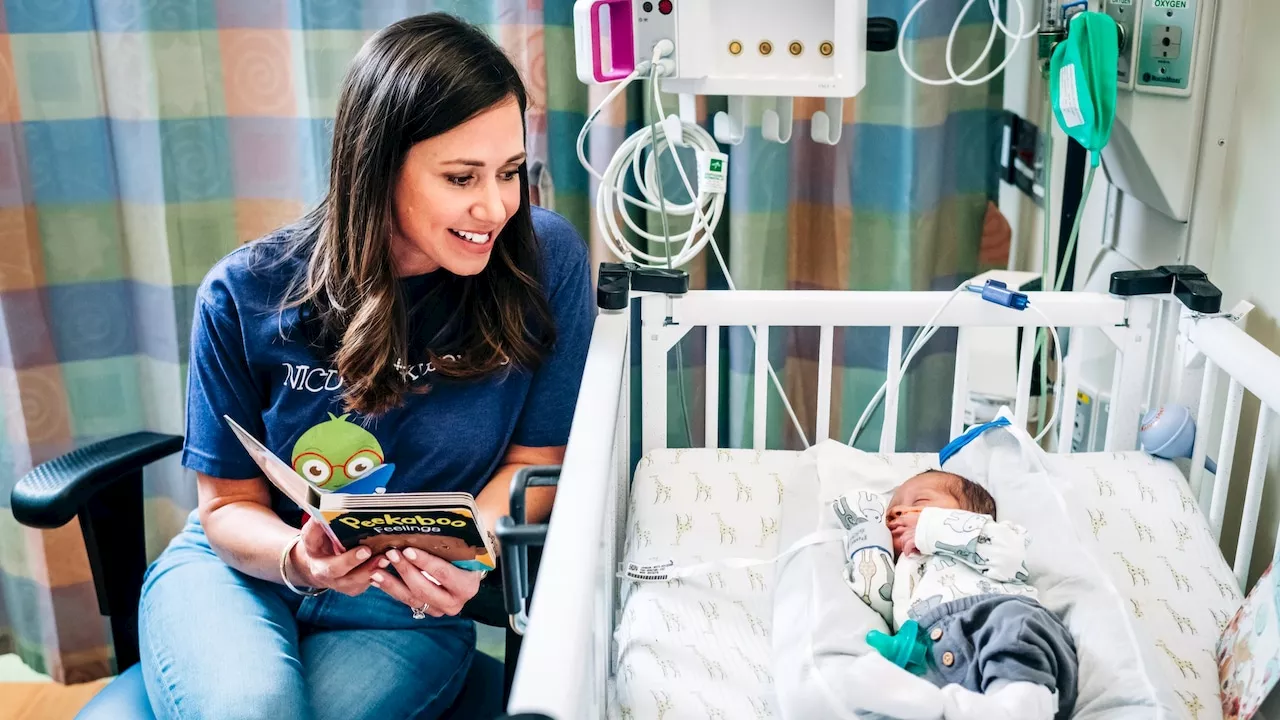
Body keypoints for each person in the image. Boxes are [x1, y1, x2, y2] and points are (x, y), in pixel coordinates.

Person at [137, 13, 595, 720]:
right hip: (245, 574)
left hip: (403, 602)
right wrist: (298, 558)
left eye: (509, 172)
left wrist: (468, 551)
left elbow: (538, 463)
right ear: (378, 168)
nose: (496, 206)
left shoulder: (542, 262)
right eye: (460, 176)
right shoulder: (246, 293)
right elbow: (226, 507)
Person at [839, 471, 1079, 720]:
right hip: (928, 648)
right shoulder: (902, 566)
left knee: (1015, 627)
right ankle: (945, 708)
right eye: (890, 513)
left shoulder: (989, 535)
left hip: (990, 616)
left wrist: (930, 529)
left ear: (971, 515)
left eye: (919, 503)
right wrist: (869, 536)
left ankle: (1019, 706)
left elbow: (1012, 555)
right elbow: (874, 592)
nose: (897, 512)